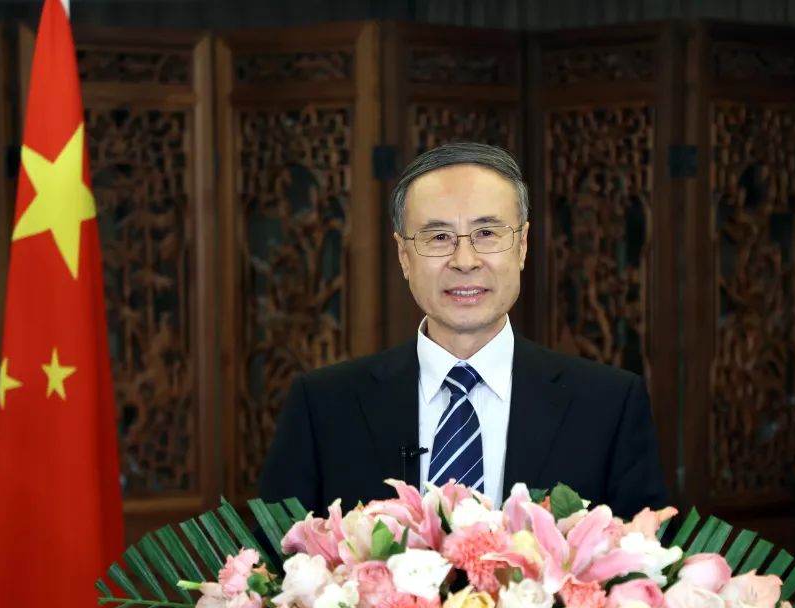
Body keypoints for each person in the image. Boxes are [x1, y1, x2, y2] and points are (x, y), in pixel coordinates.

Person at [259, 142, 669, 517]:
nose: (465, 260)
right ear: (403, 255)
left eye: (487, 234)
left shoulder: (608, 406)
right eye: (439, 237)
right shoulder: (324, 407)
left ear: (523, 246)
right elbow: (277, 559)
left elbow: (645, 561)